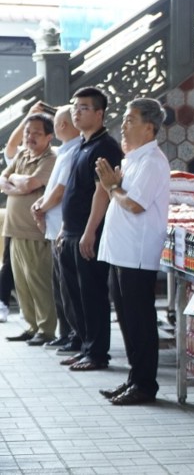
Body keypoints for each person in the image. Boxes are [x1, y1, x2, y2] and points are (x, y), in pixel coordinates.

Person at [94, 98, 170, 405]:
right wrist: (113, 185)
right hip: (121, 252)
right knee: (126, 319)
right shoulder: (133, 159)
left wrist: (112, 187)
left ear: (149, 127)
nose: (123, 126)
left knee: (140, 320)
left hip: (137, 254)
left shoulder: (152, 162)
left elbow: (135, 204)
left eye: (130, 120)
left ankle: (145, 385)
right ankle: (134, 379)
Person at [57, 87, 124, 371]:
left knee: (92, 295)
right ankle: (85, 346)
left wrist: (89, 231)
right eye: (75, 107)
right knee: (74, 295)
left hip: (89, 234)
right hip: (71, 232)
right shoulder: (81, 144)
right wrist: (64, 228)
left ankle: (97, 353)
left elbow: (102, 192)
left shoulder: (105, 147)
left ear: (99, 113)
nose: (76, 112)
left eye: (83, 107)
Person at [1, 112, 57, 345]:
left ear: (49, 137)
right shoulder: (22, 154)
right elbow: (2, 180)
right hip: (14, 230)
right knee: (22, 285)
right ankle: (31, 326)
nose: (29, 137)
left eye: (36, 133)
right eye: (27, 132)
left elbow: (32, 183)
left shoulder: (50, 158)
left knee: (38, 283)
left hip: (35, 232)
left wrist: (14, 180)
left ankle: (46, 330)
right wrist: (17, 183)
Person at [31, 104, 82, 349]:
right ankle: (65, 333)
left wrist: (42, 207)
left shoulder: (74, 152)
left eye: (57, 123)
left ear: (62, 125)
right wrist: (41, 203)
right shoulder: (64, 150)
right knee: (59, 286)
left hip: (64, 227)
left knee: (69, 288)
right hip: (54, 228)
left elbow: (61, 191)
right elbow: (53, 187)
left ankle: (74, 336)